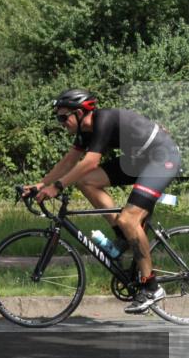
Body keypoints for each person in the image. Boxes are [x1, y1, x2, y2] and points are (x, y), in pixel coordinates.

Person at [25, 88, 182, 313]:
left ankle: (151, 287)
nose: (61, 123)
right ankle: (122, 235)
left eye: (63, 117)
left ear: (80, 113)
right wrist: (41, 185)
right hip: (139, 160)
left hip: (162, 159)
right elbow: (68, 162)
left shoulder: (103, 120)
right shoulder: (85, 132)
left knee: (129, 220)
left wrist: (57, 186)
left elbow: (90, 162)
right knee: (86, 181)